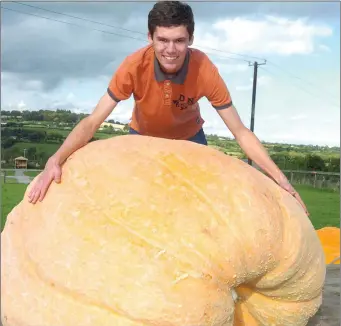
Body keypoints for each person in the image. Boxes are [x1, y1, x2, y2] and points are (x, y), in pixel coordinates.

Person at [28, 1, 309, 216]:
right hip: (143, 137)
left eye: (179, 40)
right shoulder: (133, 66)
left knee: (197, 206)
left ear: (191, 39)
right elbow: (92, 122)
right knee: (141, 204)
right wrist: (56, 158)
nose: (170, 49)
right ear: (150, 37)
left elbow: (240, 131)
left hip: (190, 139)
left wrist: (281, 180)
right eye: (163, 40)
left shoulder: (205, 70)